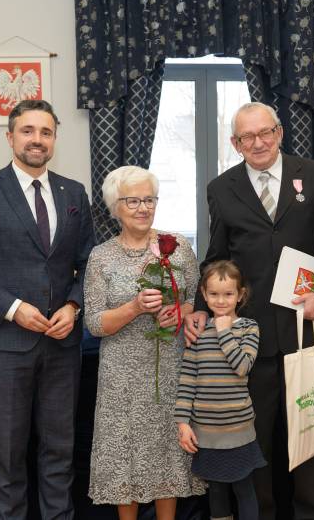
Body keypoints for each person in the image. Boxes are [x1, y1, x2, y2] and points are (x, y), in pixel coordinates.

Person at [184, 102, 314, 520]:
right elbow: (218, 256)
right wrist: (202, 307)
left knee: (309, 436)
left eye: (264, 133)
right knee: (257, 443)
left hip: (303, 330)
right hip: (249, 340)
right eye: (246, 137)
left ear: (279, 132)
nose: (257, 143)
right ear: (235, 143)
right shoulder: (222, 188)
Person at [0, 99, 95, 519]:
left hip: (62, 344)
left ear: (54, 139)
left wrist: (74, 305)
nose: (37, 139)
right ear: (10, 137)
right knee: (9, 454)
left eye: (46, 132)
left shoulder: (73, 192)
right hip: (4, 345)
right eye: (28, 131)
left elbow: (90, 263)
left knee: (60, 450)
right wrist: (13, 309)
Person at [84, 166, 206, 520]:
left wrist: (179, 313)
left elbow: (197, 301)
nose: (143, 208)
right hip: (121, 376)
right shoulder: (101, 257)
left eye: (149, 200)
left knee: (167, 449)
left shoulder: (177, 247)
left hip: (171, 367)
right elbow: (94, 323)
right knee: (126, 454)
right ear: (115, 207)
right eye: (133, 201)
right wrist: (134, 308)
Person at [175, 260, 266, 520]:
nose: (221, 300)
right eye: (214, 294)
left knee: (243, 488)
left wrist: (225, 332)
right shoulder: (198, 332)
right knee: (215, 490)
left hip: (238, 429)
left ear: (240, 295)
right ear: (204, 295)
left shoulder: (248, 327)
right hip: (206, 431)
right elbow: (188, 379)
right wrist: (182, 423)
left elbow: (242, 367)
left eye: (228, 294)